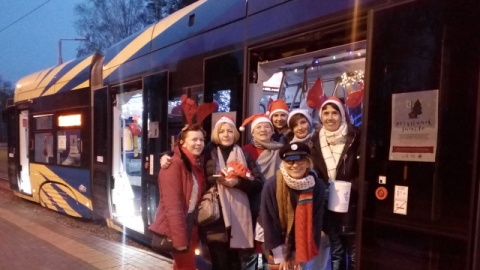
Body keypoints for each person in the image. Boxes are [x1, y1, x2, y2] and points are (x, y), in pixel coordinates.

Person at [201, 116, 264, 270]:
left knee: (236, 263)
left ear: (235, 133)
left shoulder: (245, 155)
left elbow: (257, 183)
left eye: (230, 131)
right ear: (216, 134)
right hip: (216, 216)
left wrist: (238, 183)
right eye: (222, 131)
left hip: (239, 216)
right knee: (219, 262)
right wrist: (167, 155)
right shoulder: (208, 153)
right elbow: (188, 156)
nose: (226, 134)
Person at [148, 124, 207, 270]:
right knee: (187, 267)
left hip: (190, 226)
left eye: (201, 140)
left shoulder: (194, 164)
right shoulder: (173, 165)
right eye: (194, 140)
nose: (199, 143)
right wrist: (179, 239)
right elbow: (172, 205)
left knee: (181, 266)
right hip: (177, 229)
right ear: (182, 142)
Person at [311, 97, 360, 270]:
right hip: (327, 203)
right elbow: (315, 172)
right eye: (326, 113)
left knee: (354, 252)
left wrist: (352, 186)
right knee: (336, 251)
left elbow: (363, 171)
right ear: (320, 116)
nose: (330, 117)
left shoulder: (355, 138)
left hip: (351, 203)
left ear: (342, 115)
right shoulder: (315, 140)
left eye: (334, 113)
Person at [261, 142, 326, 270]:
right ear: (283, 164)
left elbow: (315, 222)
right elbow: (269, 223)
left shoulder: (317, 186)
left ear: (308, 163)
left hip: (303, 243)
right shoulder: (271, 185)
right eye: (289, 161)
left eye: (301, 161)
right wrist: (281, 257)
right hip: (275, 240)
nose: (295, 165)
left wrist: (298, 254)